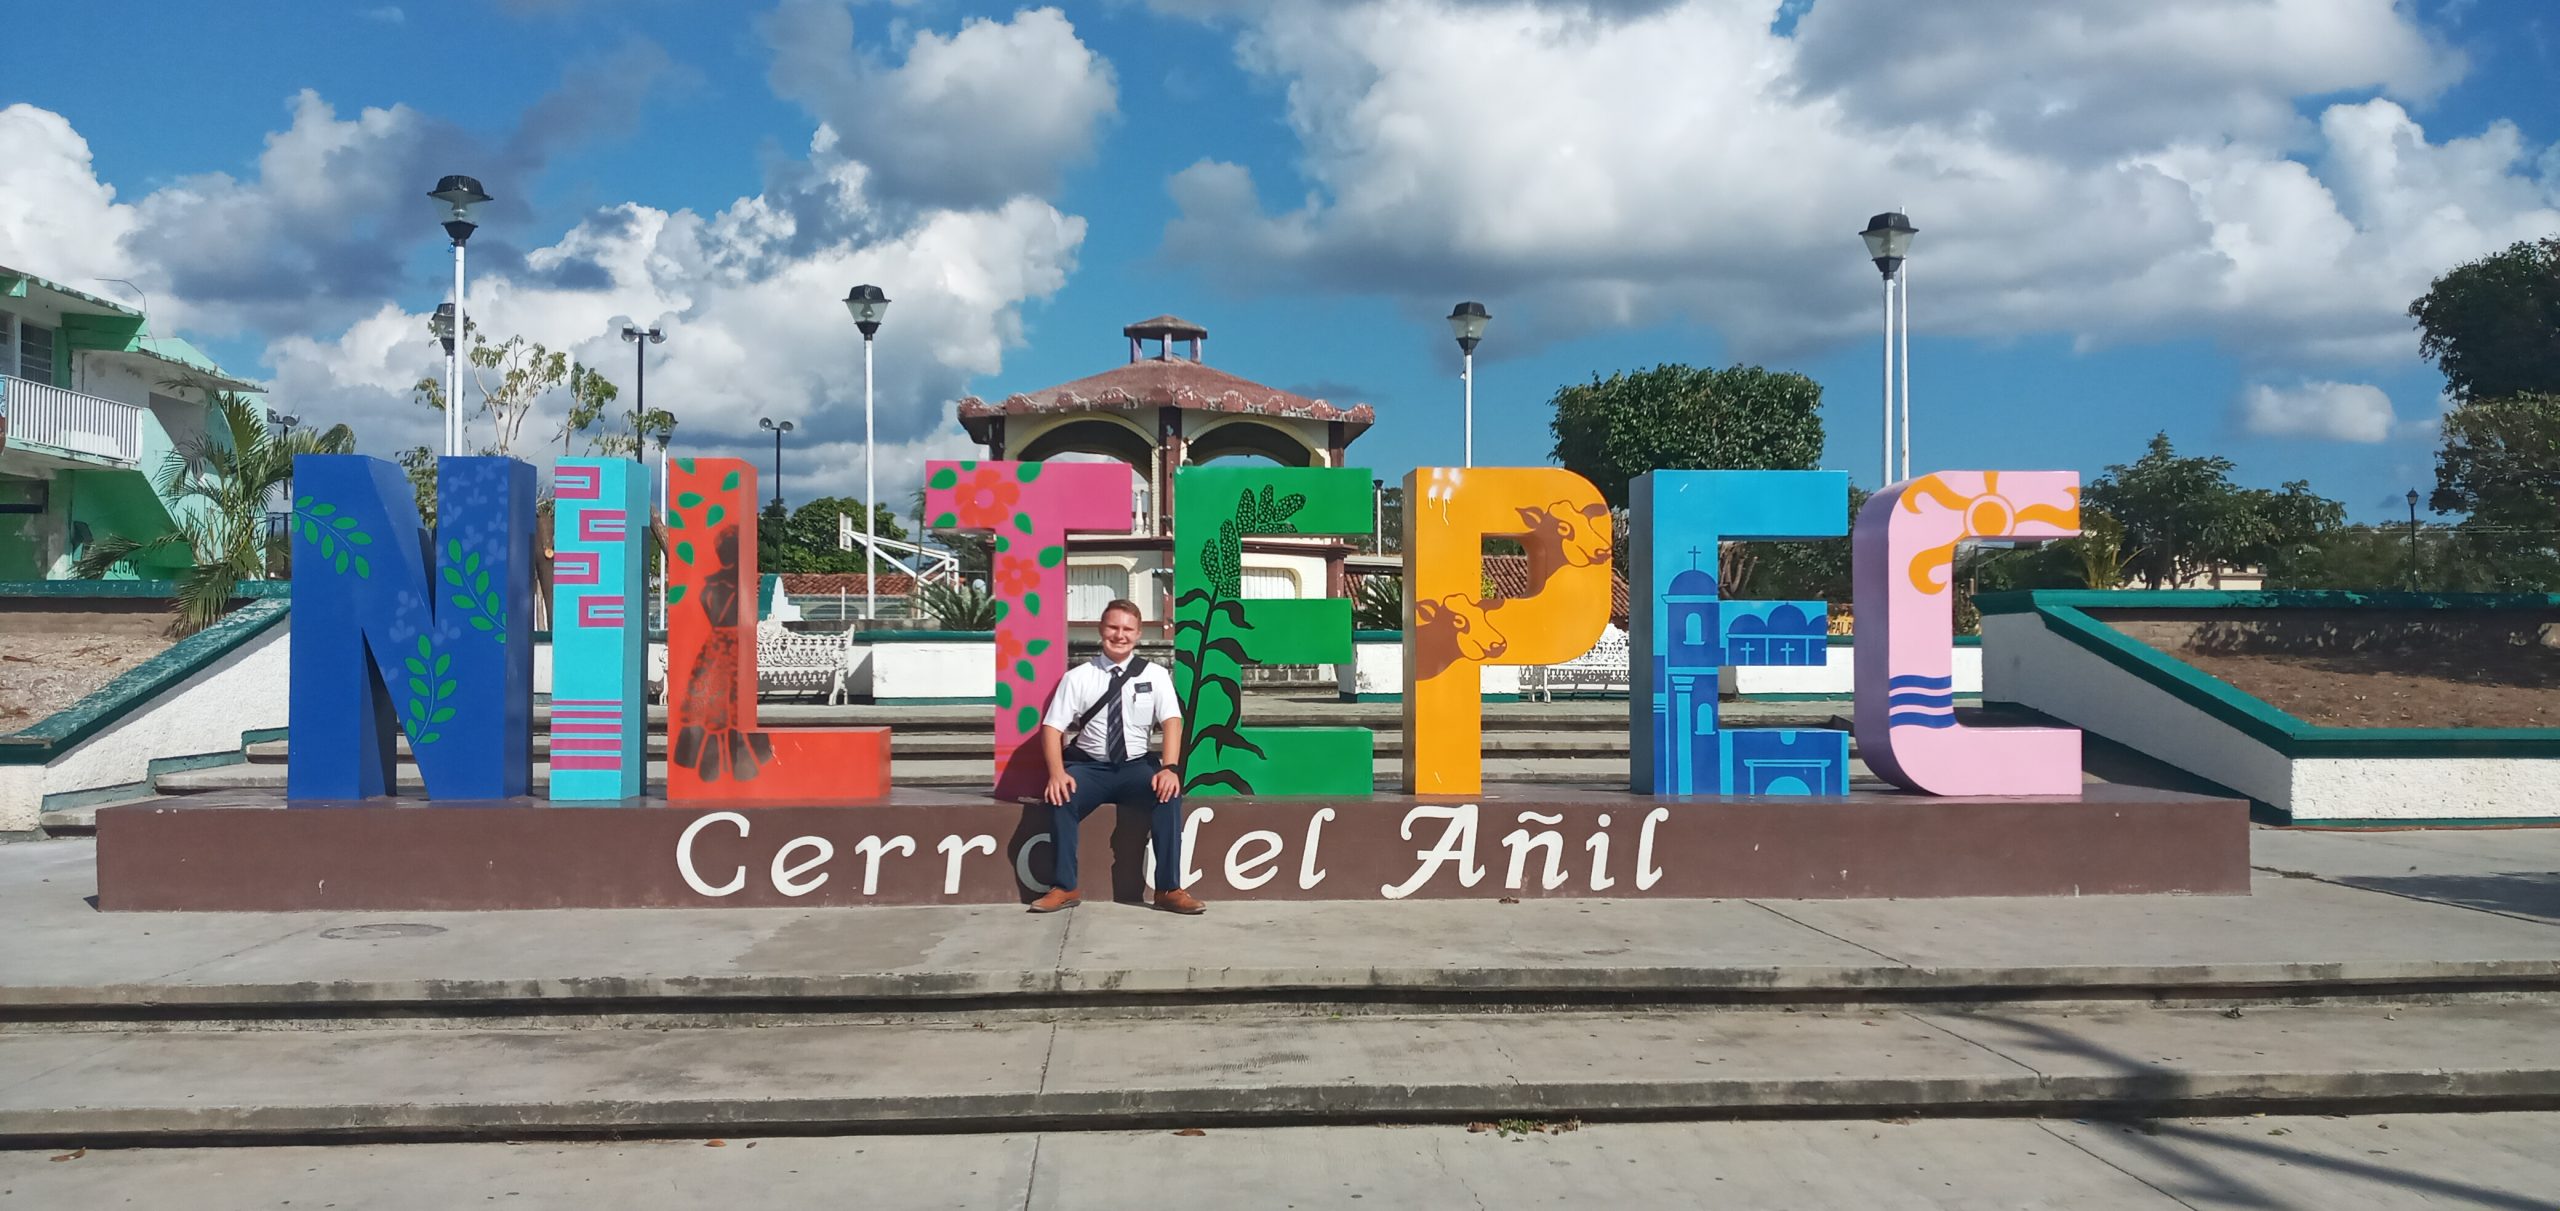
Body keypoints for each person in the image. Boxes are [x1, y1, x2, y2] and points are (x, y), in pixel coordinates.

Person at [1026, 598, 1207, 915]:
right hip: (1090, 768)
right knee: (1061, 796)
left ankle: (1168, 889)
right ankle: (1065, 887)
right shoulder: (1078, 677)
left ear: (1138, 633)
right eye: (1113, 627)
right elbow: (1052, 728)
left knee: (1169, 796)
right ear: (1101, 629)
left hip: (1136, 768)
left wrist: (1170, 768)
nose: (1120, 635)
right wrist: (1056, 773)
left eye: (1127, 629)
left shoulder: (1155, 675)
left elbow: (1172, 722)